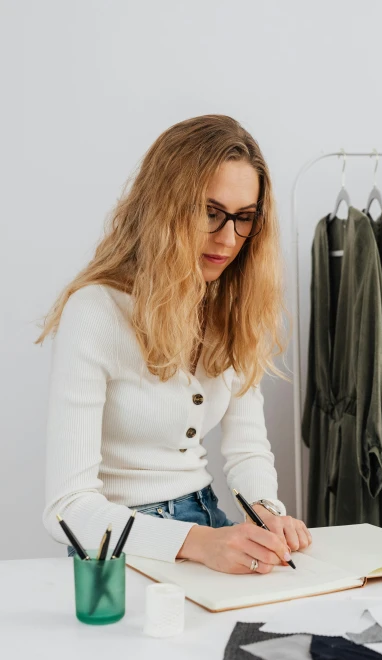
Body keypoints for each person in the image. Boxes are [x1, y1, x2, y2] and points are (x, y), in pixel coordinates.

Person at [36, 114, 311, 575]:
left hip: (209, 523)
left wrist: (267, 511)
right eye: (210, 212)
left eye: (244, 219)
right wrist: (197, 542)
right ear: (165, 206)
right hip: (121, 548)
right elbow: (68, 509)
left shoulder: (233, 307)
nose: (228, 238)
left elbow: (246, 449)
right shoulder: (96, 311)